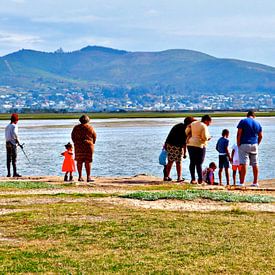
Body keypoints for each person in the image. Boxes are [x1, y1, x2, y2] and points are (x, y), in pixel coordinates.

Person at [164, 116, 195, 182]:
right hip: (177, 146)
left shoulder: (178, 125)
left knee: (170, 161)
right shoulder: (186, 129)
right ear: (189, 123)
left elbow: (169, 135)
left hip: (169, 144)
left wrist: (165, 145)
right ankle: (179, 177)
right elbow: (184, 142)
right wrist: (185, 153)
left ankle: (166, 176)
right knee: (179, 162)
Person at [237, 110, 263, 187]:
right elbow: (261, 136)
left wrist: (238, 144)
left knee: (244, 163)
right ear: (254, 116)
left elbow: (239, 133)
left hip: (244, 143)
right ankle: (255, 182)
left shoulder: (243, 121)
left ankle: (242, 182)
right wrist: (257, 144)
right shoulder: (258, 123)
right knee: (255, 164)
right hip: (254, 144)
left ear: (247, 115)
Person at [186, 115, 212, 184]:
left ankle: (193, 179)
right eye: (209, 122)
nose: (209, 124)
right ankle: (200, 179)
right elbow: (205, 137)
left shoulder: (193, 123)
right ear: (206, 121)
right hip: (199, 145)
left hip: (190, 144)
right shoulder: (204, 126)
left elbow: (186, 131)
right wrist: (209, 138)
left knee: (192, 162)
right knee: (199, 163)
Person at [71, 115, 97, 182]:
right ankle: (88, 177)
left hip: (78, 145)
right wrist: (92, 143)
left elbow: (72, 136)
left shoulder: (76, 128)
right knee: (88, 161)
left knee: (79, 161)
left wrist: (76, 143)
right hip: (88, 146)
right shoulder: (90, 127)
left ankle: (80, 177)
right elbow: (94, 136)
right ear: (88, 121)